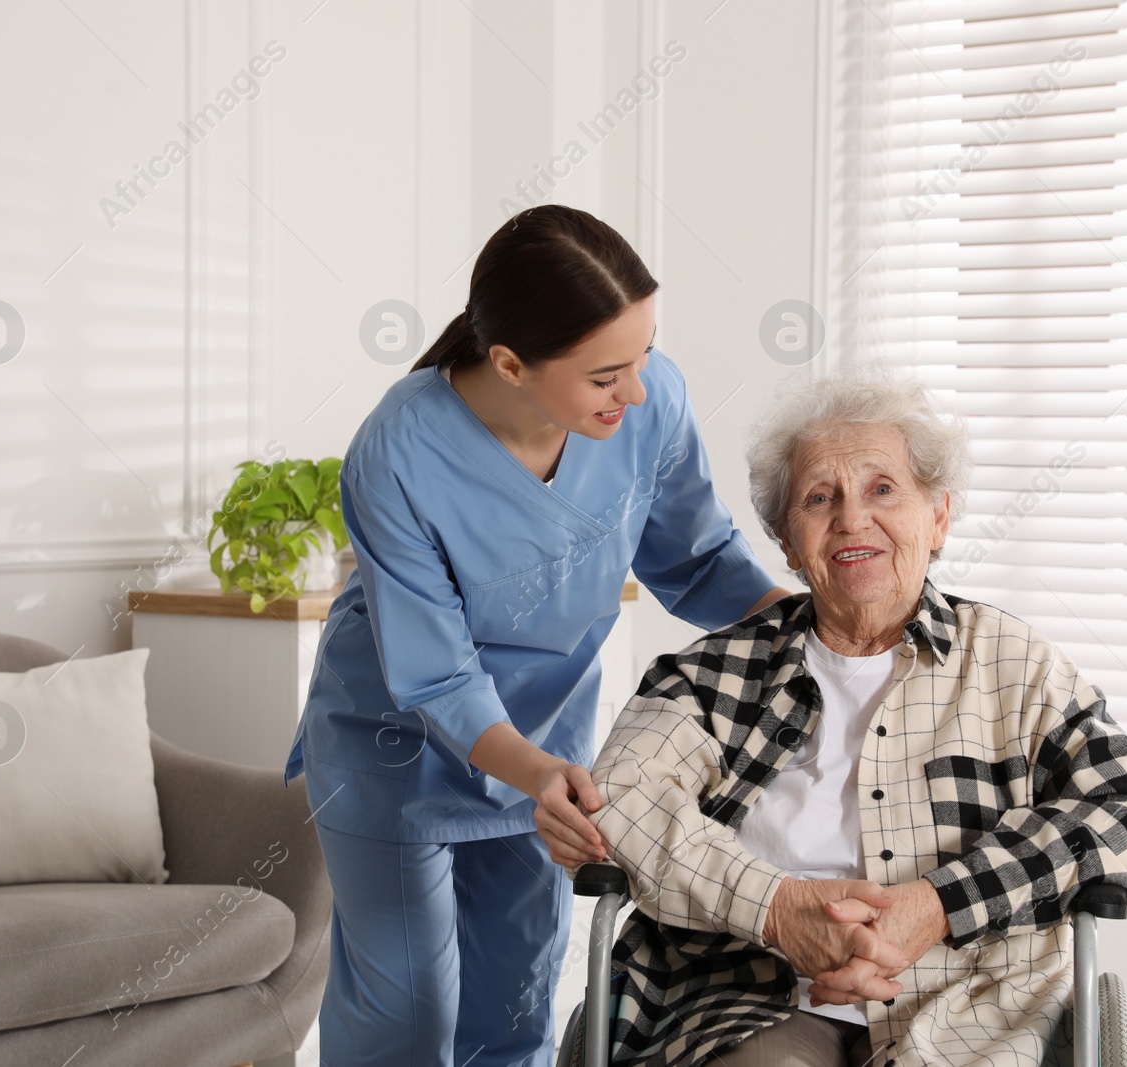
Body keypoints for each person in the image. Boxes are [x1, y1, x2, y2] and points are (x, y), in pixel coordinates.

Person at [283, 204, 792, 1067]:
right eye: (604, 377)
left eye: (644, 355)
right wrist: (534, 771)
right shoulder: (398, 451)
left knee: (514, 1004)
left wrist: (814, 626)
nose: (634, 391)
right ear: (511, 363)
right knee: (410, 1013)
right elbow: (436, 674)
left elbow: (699, 562)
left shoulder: (650, 400)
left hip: (546, 748)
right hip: (393, 749)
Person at [584, 362, 1127, 1066]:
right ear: (785, 539)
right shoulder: (715, 675)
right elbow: (617, 796)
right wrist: (779, 909)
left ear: (938, 517)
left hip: (976, 1005)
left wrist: (938, 904)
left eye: (883, 489)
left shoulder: (1016, 666)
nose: (852, 519)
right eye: (818, 497)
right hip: (752, 1003)